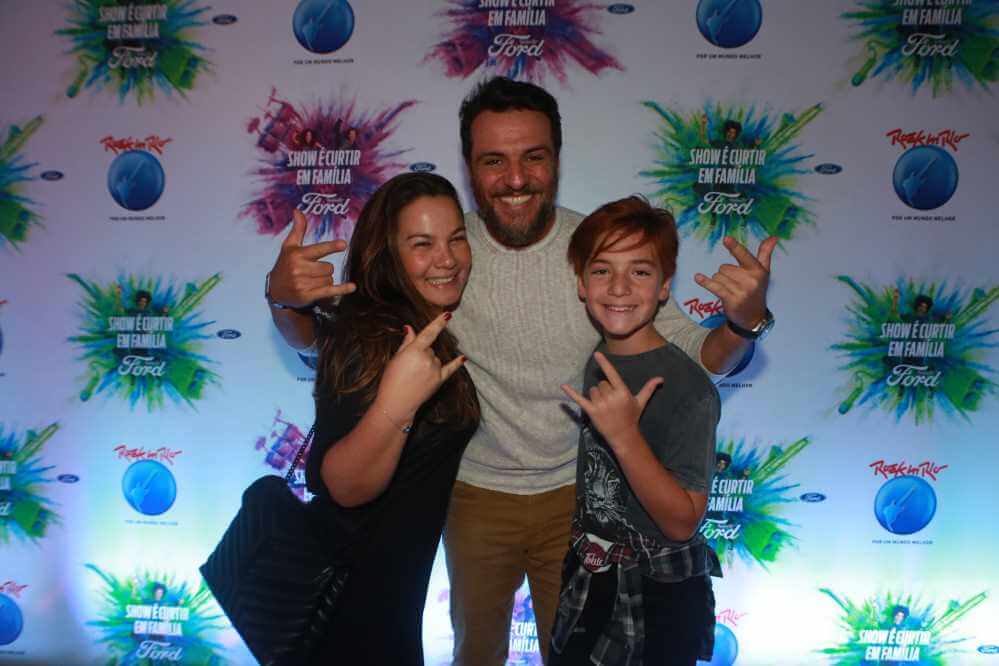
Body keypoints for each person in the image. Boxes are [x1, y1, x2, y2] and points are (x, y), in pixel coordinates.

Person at [266, 77, 775, 665]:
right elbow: (333, 338)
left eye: (533, 157)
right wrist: (285, 304)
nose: (514, 179)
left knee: (576, 653)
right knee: (476, 652)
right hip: (474, 497)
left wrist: (742, 324)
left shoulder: (594, 248)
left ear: (556, 159)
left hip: (577, 499)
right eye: (494, 160)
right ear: (469, 165)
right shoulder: (443, 250)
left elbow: (699, 354)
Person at [303, 172, 480, 665]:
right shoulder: (375, 335)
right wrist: (396, 404)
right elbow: (344, 485)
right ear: (388, 253)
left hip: (389, 597)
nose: (446, 259)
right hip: (353, 606)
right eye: (422, 244)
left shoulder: (416, 323)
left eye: (456, 240)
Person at [552, 196, 720, 665]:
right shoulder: (598, 360)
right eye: (602, 270)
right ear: (582, 285)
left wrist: (626, 437)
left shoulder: (689, 387)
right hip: (591, 574)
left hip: (662, 594)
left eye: (640, 272)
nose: (619, 287)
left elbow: (683, 521)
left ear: (665, 287)